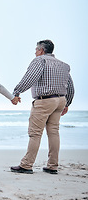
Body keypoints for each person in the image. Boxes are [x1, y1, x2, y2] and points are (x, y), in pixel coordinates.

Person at [10, 40, 74, 175]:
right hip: (60, 100)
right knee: (54, 132)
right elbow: (70, 86)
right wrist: (67, 103)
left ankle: (26, 165)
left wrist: (17, 92)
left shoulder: (40, 61)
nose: (35, 52)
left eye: (36, 50)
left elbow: (30, 78)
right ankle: (52, 166)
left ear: (41, 50)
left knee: (35, 133)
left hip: (44, 101)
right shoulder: (64, 65)